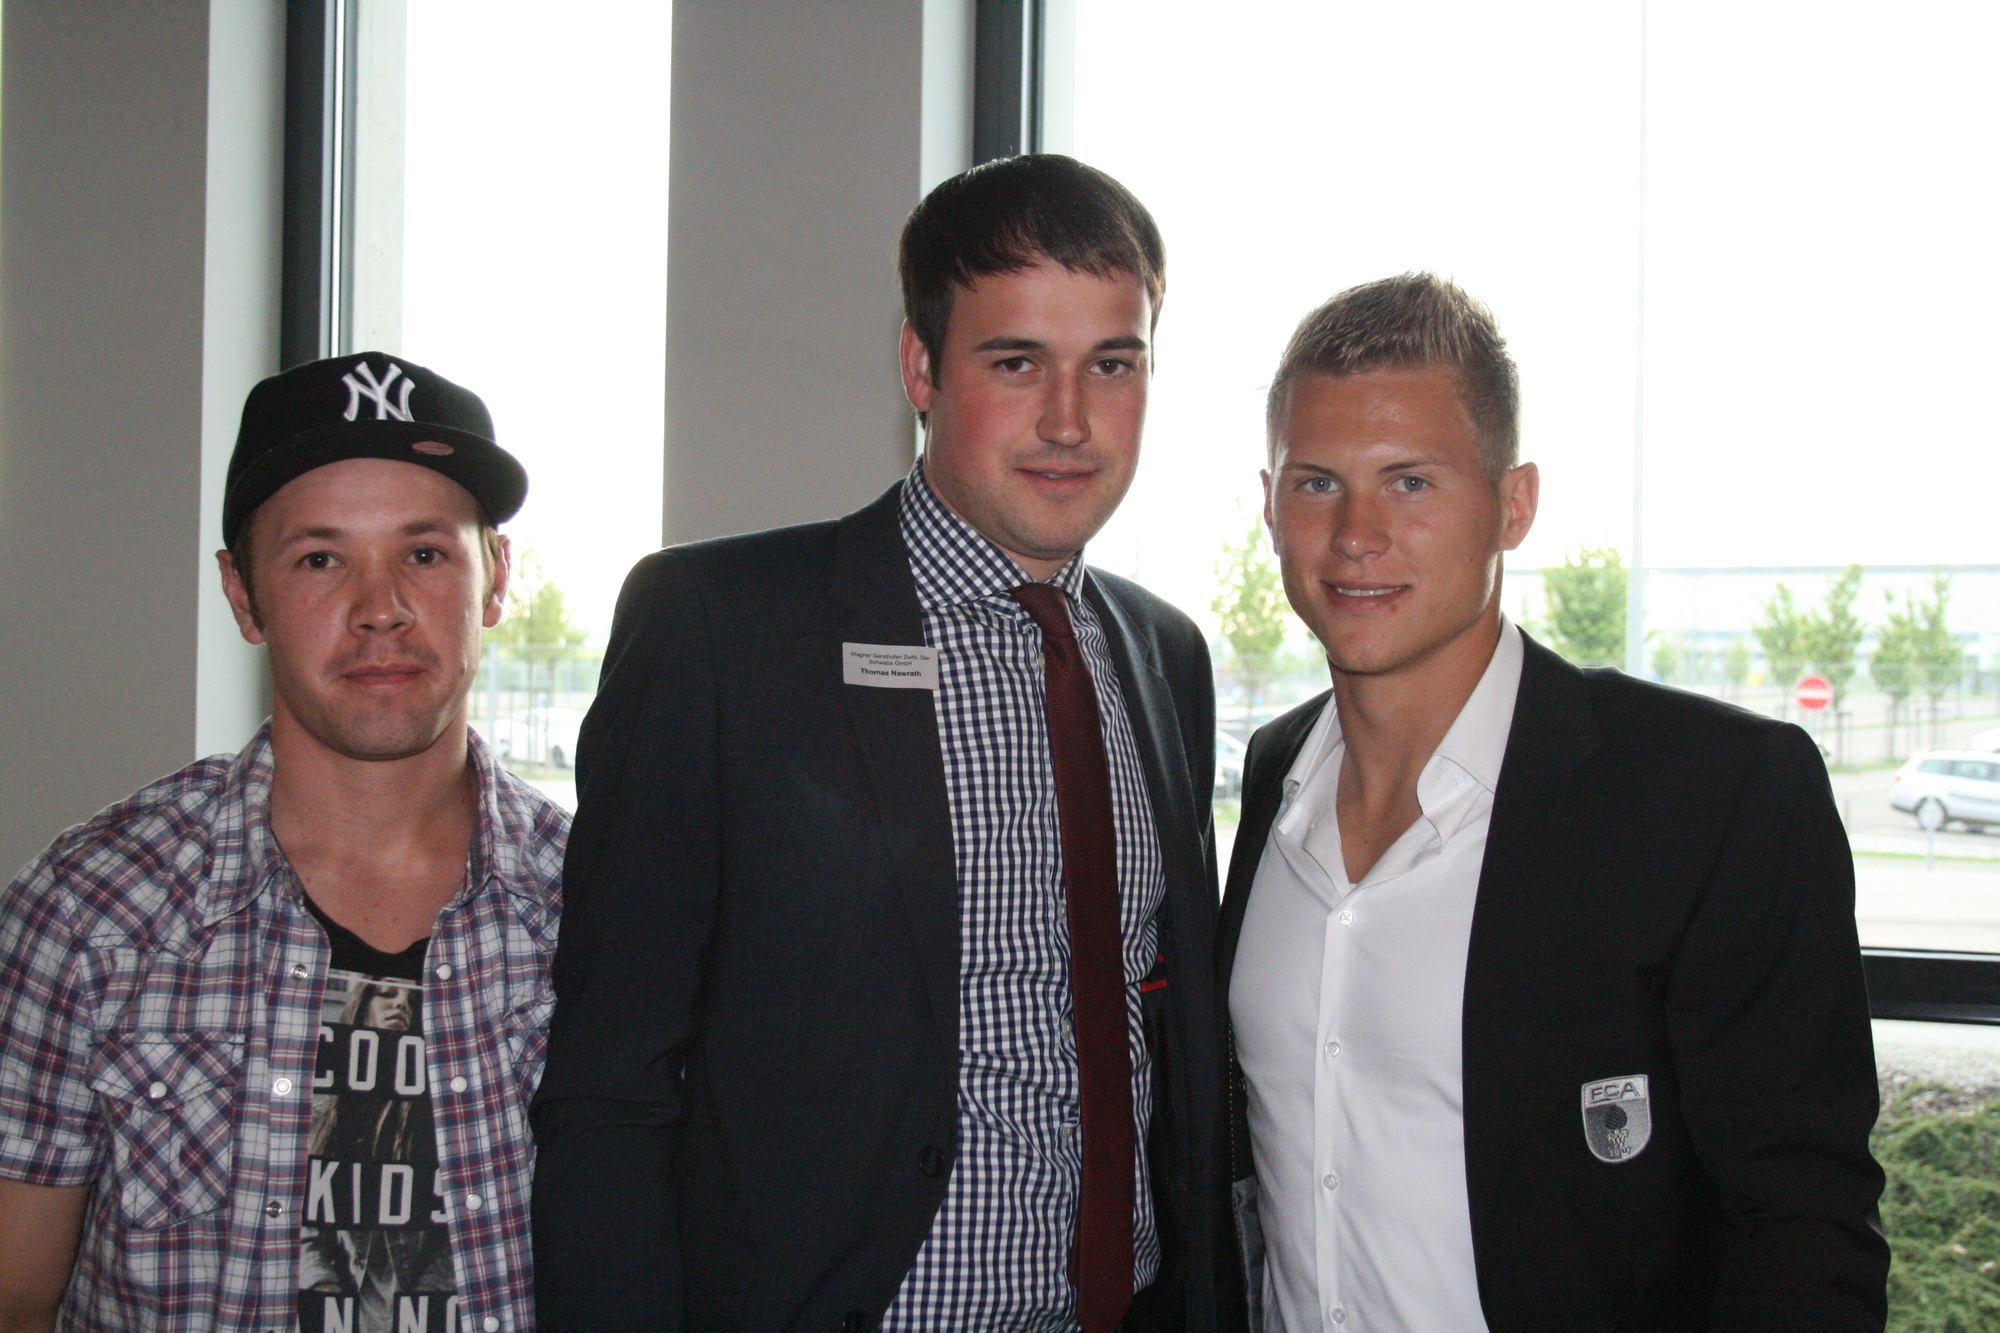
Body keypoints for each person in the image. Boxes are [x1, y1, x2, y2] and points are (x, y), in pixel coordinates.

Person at [531, 154, 1237, 1333]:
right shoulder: (721, 628)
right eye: (1015, 362)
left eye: (1110, 365)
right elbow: (611, 1083)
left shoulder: (1164, 655)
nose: (1068, 419)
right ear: (920, 366)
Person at [1219, 273, 1888, 1332]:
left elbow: (1802, 1231)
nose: (1354, 534)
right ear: (1267, 505)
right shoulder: (1272, 778)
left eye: (1410, 483)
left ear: (1512, 503)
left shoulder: (1710, 795)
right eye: (1315, 484)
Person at [0, 353, 567, 1333]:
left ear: (495, 580)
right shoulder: (87, 909)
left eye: (424, 553)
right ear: (241, 593)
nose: (378, 605)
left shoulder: (606, 905)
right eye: (319, 558)